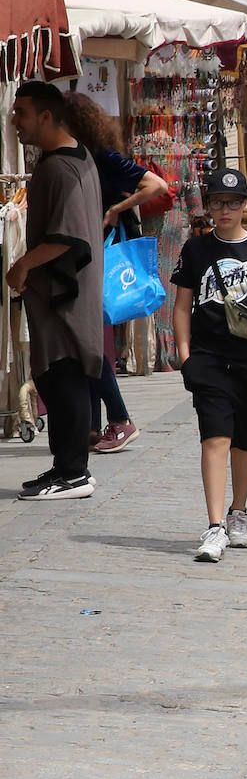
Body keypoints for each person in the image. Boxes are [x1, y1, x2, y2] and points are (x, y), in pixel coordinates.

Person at [171, 169, 247, 561]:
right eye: (218, 202)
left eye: (233, 203)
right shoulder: (196, 249)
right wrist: (185, 355)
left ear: (244, 207)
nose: (225, 210)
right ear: (210, 205)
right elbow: (182, 305)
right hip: (207, 358)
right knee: (215, 435)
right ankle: (215, 525)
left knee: (244, 439)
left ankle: (239, 512)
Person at [6, 81, 104, 500]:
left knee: (64, 377)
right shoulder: (71, 159)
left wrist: (23, 263)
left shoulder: (60, 167)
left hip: (66, 296)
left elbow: (71, 238)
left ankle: (74, 472)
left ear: (46, 116)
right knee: (58, 377)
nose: (15, 121)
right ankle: (65, 465)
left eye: (22, 113)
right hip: (63, 293)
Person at [63, 92, 170, 454]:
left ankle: (121, 419)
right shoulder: (81, 158)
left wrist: (115, 209)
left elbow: (157, 186)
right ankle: (93, 427)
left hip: (101, 254)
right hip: (88, 255)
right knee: (85, 342)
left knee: (88, 342)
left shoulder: (102, 158)